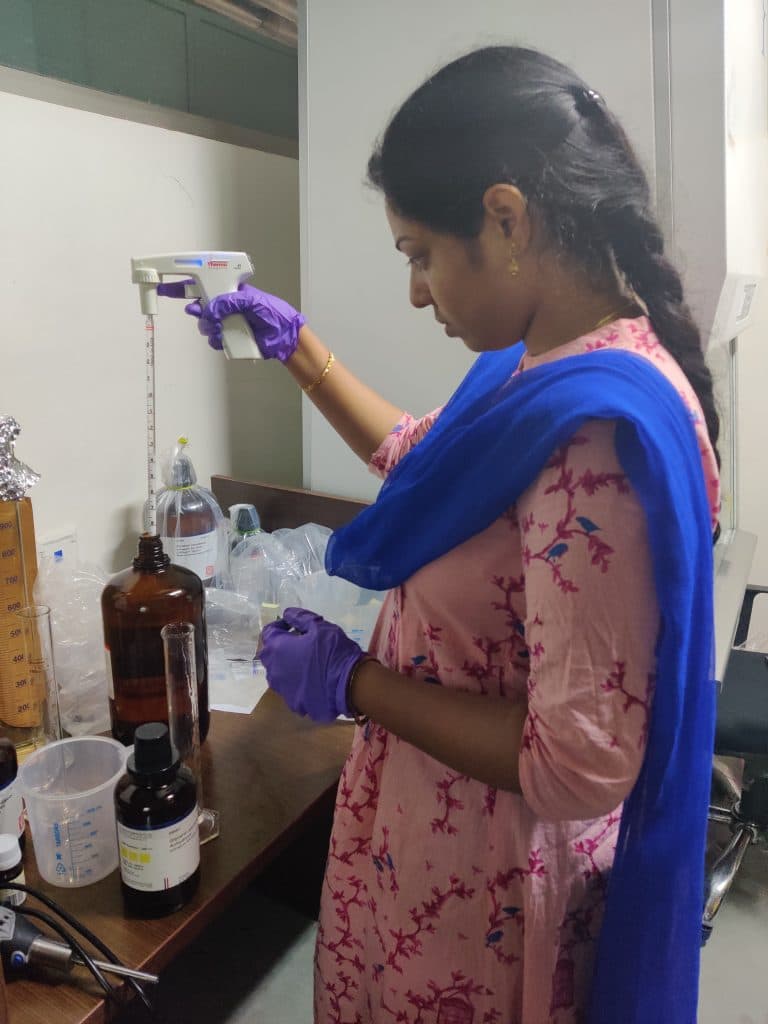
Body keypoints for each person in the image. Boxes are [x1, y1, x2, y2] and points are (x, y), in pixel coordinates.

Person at [162, 46, 719, 1024]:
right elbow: (432, 461)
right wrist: (303, 351)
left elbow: (578, 764)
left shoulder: (594, 433)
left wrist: (354, 683)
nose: (418, 291)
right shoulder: (537, 363)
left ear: (504, 219)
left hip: (495, 885)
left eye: (420, 253)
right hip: (438, 839)